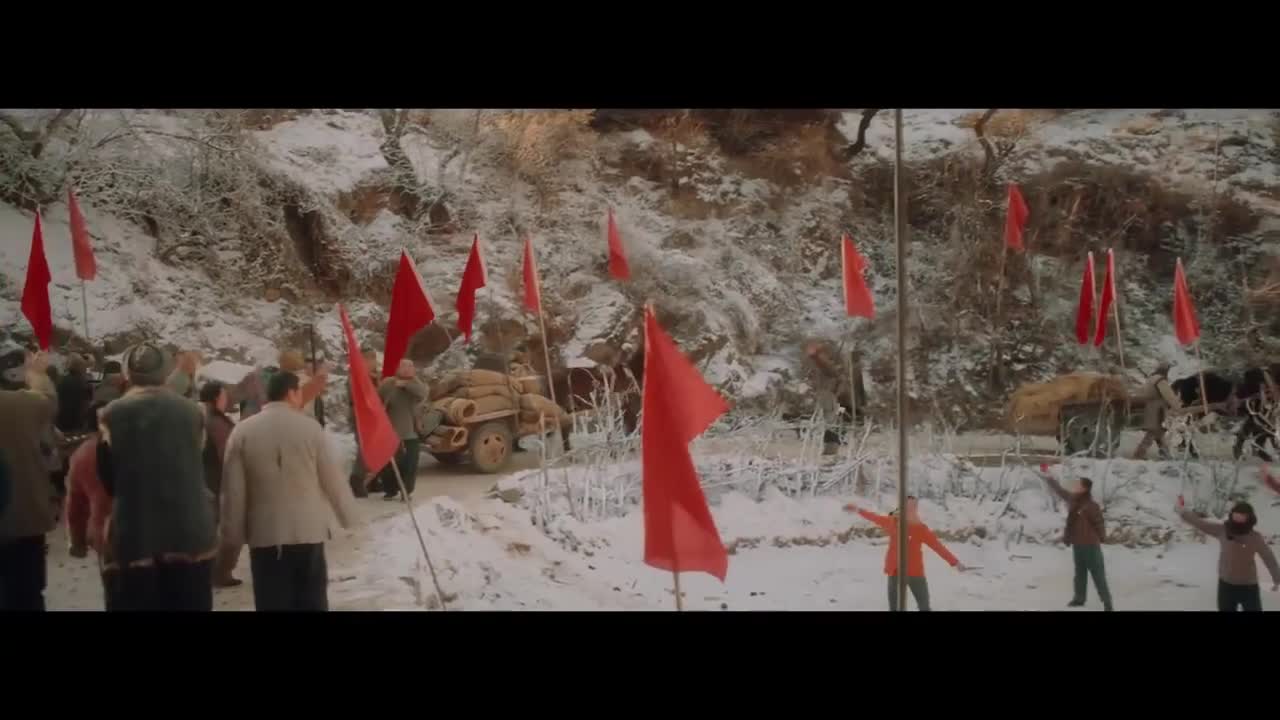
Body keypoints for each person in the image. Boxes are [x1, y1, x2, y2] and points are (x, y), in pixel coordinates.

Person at [221, 371, 359, 611]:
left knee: (272, 601)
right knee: (311, 601)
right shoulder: (310, 429)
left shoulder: (242, 431)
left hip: (265, 536)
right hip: (308, 532)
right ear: (292, 393)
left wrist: (232, 534)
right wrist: (349, 518)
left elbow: (233, 491)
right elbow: (333, 479)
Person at [99, 342, 217, 611]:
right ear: (166, 372)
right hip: (190, 535)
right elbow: (203, 464)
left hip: (135, 537)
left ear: (127, 374)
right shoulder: (192, 412)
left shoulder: (111, 415)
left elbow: (107, 477)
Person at [0, 352, 58, 610]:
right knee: (28, 593)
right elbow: (48, 401)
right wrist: (37, 374)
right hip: (24, 518)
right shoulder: (20, 404)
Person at [844, 496, 965, 611]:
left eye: (912, 508)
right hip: (894, 572)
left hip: (915, 574)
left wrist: (955, 562)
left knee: (924, 607)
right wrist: (858, 510)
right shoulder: (892, 522)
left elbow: (938, 547)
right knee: (894, 608)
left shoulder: (920, 529)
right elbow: (874, 517)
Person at [1177, 500, 1280, 611]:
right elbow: (1201, 523)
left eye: (1241, 516)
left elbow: (1268, 557)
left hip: (1249, 586)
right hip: (1226, 586)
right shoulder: (1222, 530)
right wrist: (1183, 512)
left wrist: (1277, 577)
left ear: (1249, 518)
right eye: (1236, 515)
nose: (1237, 518)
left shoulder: (1255, 537)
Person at [65, 404, 119, 610]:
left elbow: (76, 505)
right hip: (146, 532)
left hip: (105, 535)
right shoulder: (138, 446)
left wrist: (77, 540)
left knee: (115, 593)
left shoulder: (82, 454)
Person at [1042, 474, 1113, 610]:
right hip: (1077, 544)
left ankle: (1107, 602)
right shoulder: (1073, 500)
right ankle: (1079, 598)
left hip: (1091, 546)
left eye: (1078, 484)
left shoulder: (1092, 506)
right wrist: (1050, 479)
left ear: (1084, 488)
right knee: (1079, 573)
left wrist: (1102, 537)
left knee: (1098, 575)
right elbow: (1060, 491)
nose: (1075, 485)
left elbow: (1099, 523)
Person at [199, 381, 242, 588]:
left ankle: (214, 572)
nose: (227, 399)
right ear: (216, 398)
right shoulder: (215, 422)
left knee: (214, 528)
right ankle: (220, 573)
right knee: (229, 531)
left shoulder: (203, 417)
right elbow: (227, 453)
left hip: (207, 480)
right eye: (224, 395)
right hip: (218, 481)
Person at [378, 359, 428, 501]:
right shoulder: (388, 383)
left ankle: (406, 491)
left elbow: (422, 393)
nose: (406, 369)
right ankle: (390, 490)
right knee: (389, 465)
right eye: (403, 366)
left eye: (410, 366)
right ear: (397, 369)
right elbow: (377, 399)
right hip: (391, 431)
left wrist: (406, 384)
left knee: (409, 465)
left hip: (410, 432)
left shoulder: (416, 384)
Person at [348, 347, 382, 497]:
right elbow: (356, 395)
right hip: (360, 414)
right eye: (368, 359)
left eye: (373, 358)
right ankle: (356, 479)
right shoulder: (355, 376)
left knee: (375, 447)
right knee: (364, 447)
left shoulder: (375, 376)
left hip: (374, 415)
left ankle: (372, 479)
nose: (372, 362)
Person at [1134, 362, 1180, 460]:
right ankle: (1139, 454)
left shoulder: (1150, 379)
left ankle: (1165, 454)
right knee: (1153, 432)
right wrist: (1177, 407)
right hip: (1156, 410)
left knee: (1159, 433)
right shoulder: (1160, 380)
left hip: (1149, 407)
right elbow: (1169, 396)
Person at [56, 353, 92, 433]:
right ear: (81, 366)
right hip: (77, 421)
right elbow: (86, 404)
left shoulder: (62, 381)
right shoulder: (84, 383)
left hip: (62, 419)